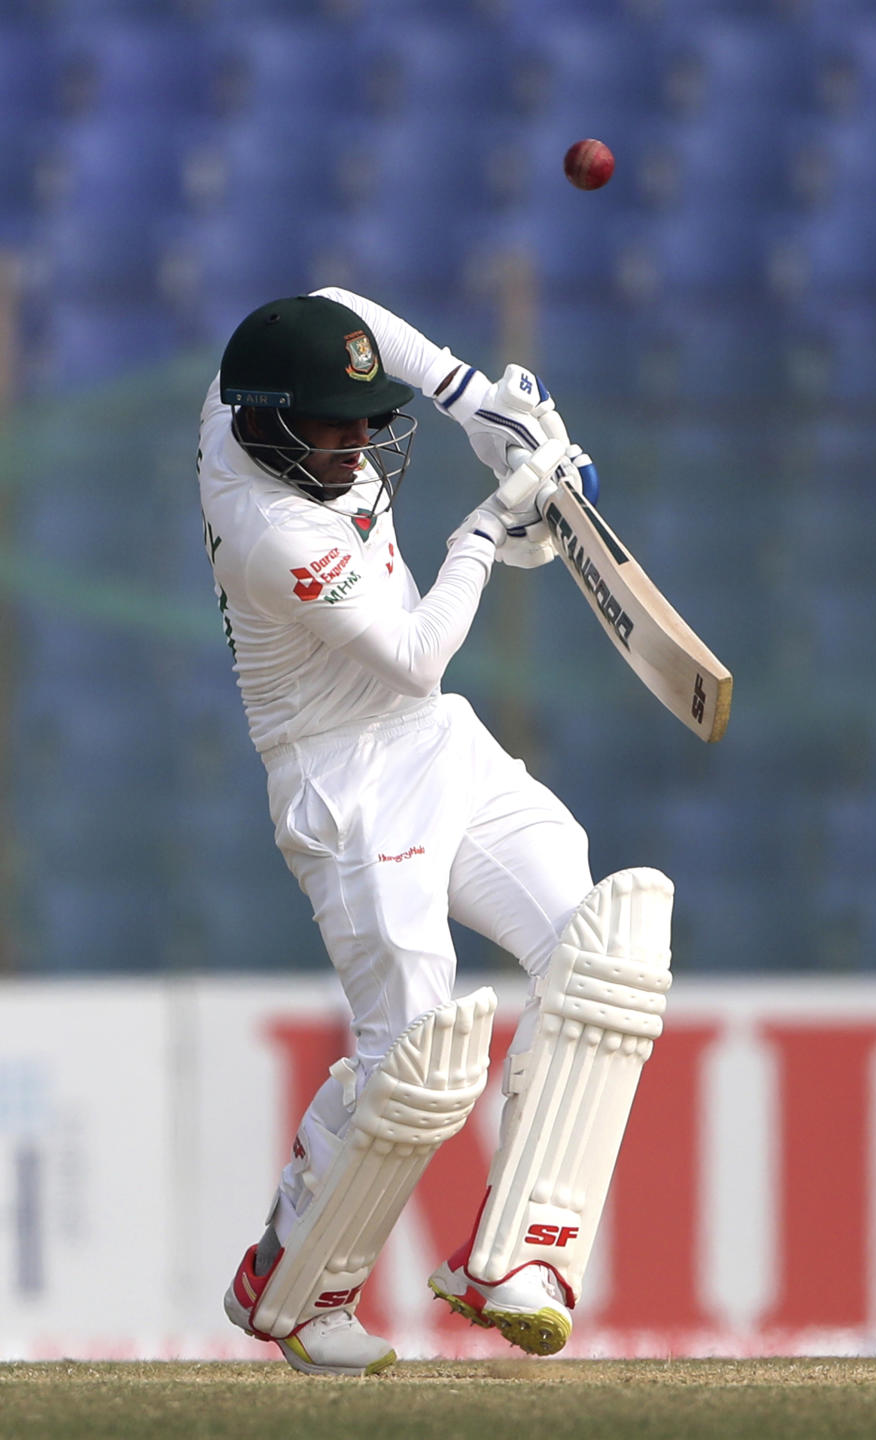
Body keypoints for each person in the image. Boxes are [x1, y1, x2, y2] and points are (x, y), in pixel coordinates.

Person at [198, 288, 674, 1377]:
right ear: (267, 428)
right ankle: (288, 1276)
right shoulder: (269, 531)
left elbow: (333, 304)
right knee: (414, 1054)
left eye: (367, 417)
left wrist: (467, 396)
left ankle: (521, 1257)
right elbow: (416, 651)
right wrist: (492, 524)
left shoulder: (243, 392)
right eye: (334, 425)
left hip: (434, 744)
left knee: (602, 948)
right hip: (341, 782)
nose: (359, 440)